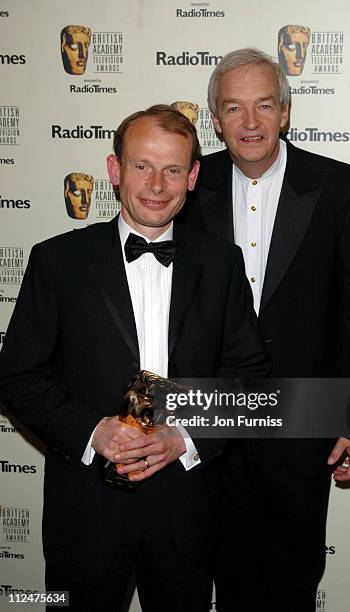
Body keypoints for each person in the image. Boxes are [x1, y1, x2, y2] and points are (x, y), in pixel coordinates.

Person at [0, 104, 269, 612]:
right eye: (142, 165)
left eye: (173, 169)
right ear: (114, 169)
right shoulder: (56, 261)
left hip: (186, 507)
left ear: (193, 177)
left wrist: (183, 435)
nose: (157, 184)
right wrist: (92, 431)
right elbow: (17, 375)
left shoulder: (222, 264)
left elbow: (248, 379)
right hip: (86, 506)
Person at [180, 48, 350, 611]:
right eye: (233, 108)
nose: (250, 123)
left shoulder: (339, 186)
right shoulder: (185, 189)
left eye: (264, 105)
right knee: (227, 571)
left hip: (307, 417)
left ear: (286, 112)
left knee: (294, 573)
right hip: (214, 414)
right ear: (215, 118)